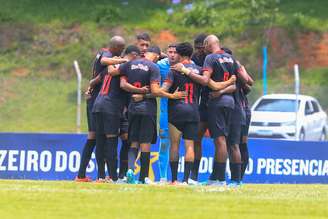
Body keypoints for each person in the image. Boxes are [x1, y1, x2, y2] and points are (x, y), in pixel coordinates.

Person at [75, 36, 125, 182]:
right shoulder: (106, 54)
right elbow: (103, 64)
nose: (121, 53)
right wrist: (122, 61)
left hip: (96, 100)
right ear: (115, 47)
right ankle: (88, 175)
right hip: (98, 101)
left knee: (97, 138)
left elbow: (93, 79)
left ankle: (92, 175)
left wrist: (90, 86)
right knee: (96, 137)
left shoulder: (103, 53)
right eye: (120, 50)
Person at [164, 42, 210, 184]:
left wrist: (169, 94)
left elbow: (164, 89)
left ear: (179, 54)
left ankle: (174, 180)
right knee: (190, 145)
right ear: (191, 54)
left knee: (175, 145)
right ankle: (186, 180)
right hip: (193, 111)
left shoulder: (174, 70)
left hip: (176, 111)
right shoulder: (200, 70)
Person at [202, 35, 240, 186]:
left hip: (217, 103)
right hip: (230, 102)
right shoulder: (231, 59)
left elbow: (206, 80)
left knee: (220, 140)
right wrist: (225, 88)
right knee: (223, 140)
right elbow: (235, 84)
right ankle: (215, 177)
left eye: (204, 46)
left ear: (207, 44)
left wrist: (215, 88)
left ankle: (221, 179)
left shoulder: (210, 58)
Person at [91, 36, 127, 182]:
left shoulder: (108, 68)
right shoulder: (120, 67)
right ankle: (113, 177)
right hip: (110, 107)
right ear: (118, 49)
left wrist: (90, 87)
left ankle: (100, 176)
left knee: (100, 140)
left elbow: (94, 80)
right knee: (111, 141)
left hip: (97, 105)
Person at [156, 44, 178, 183]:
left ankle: (186, 178)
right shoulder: (160, 65)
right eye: (169, 52)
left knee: (184, 143)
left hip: (182, 110)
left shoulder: (187, 66)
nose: (172, 55)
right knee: (165, 142)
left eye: (175, 52)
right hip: (165, 110)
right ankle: (163, 177)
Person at [190, 33, 208, 182]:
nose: (199, 51)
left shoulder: (214, 57)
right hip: (200, 103)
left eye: (201, 48)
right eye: (196, 48)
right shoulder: (195, 58)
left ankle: (221, 176)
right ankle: (194, 174)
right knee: (196, 138)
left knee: (223, 140)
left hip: (215, 102)